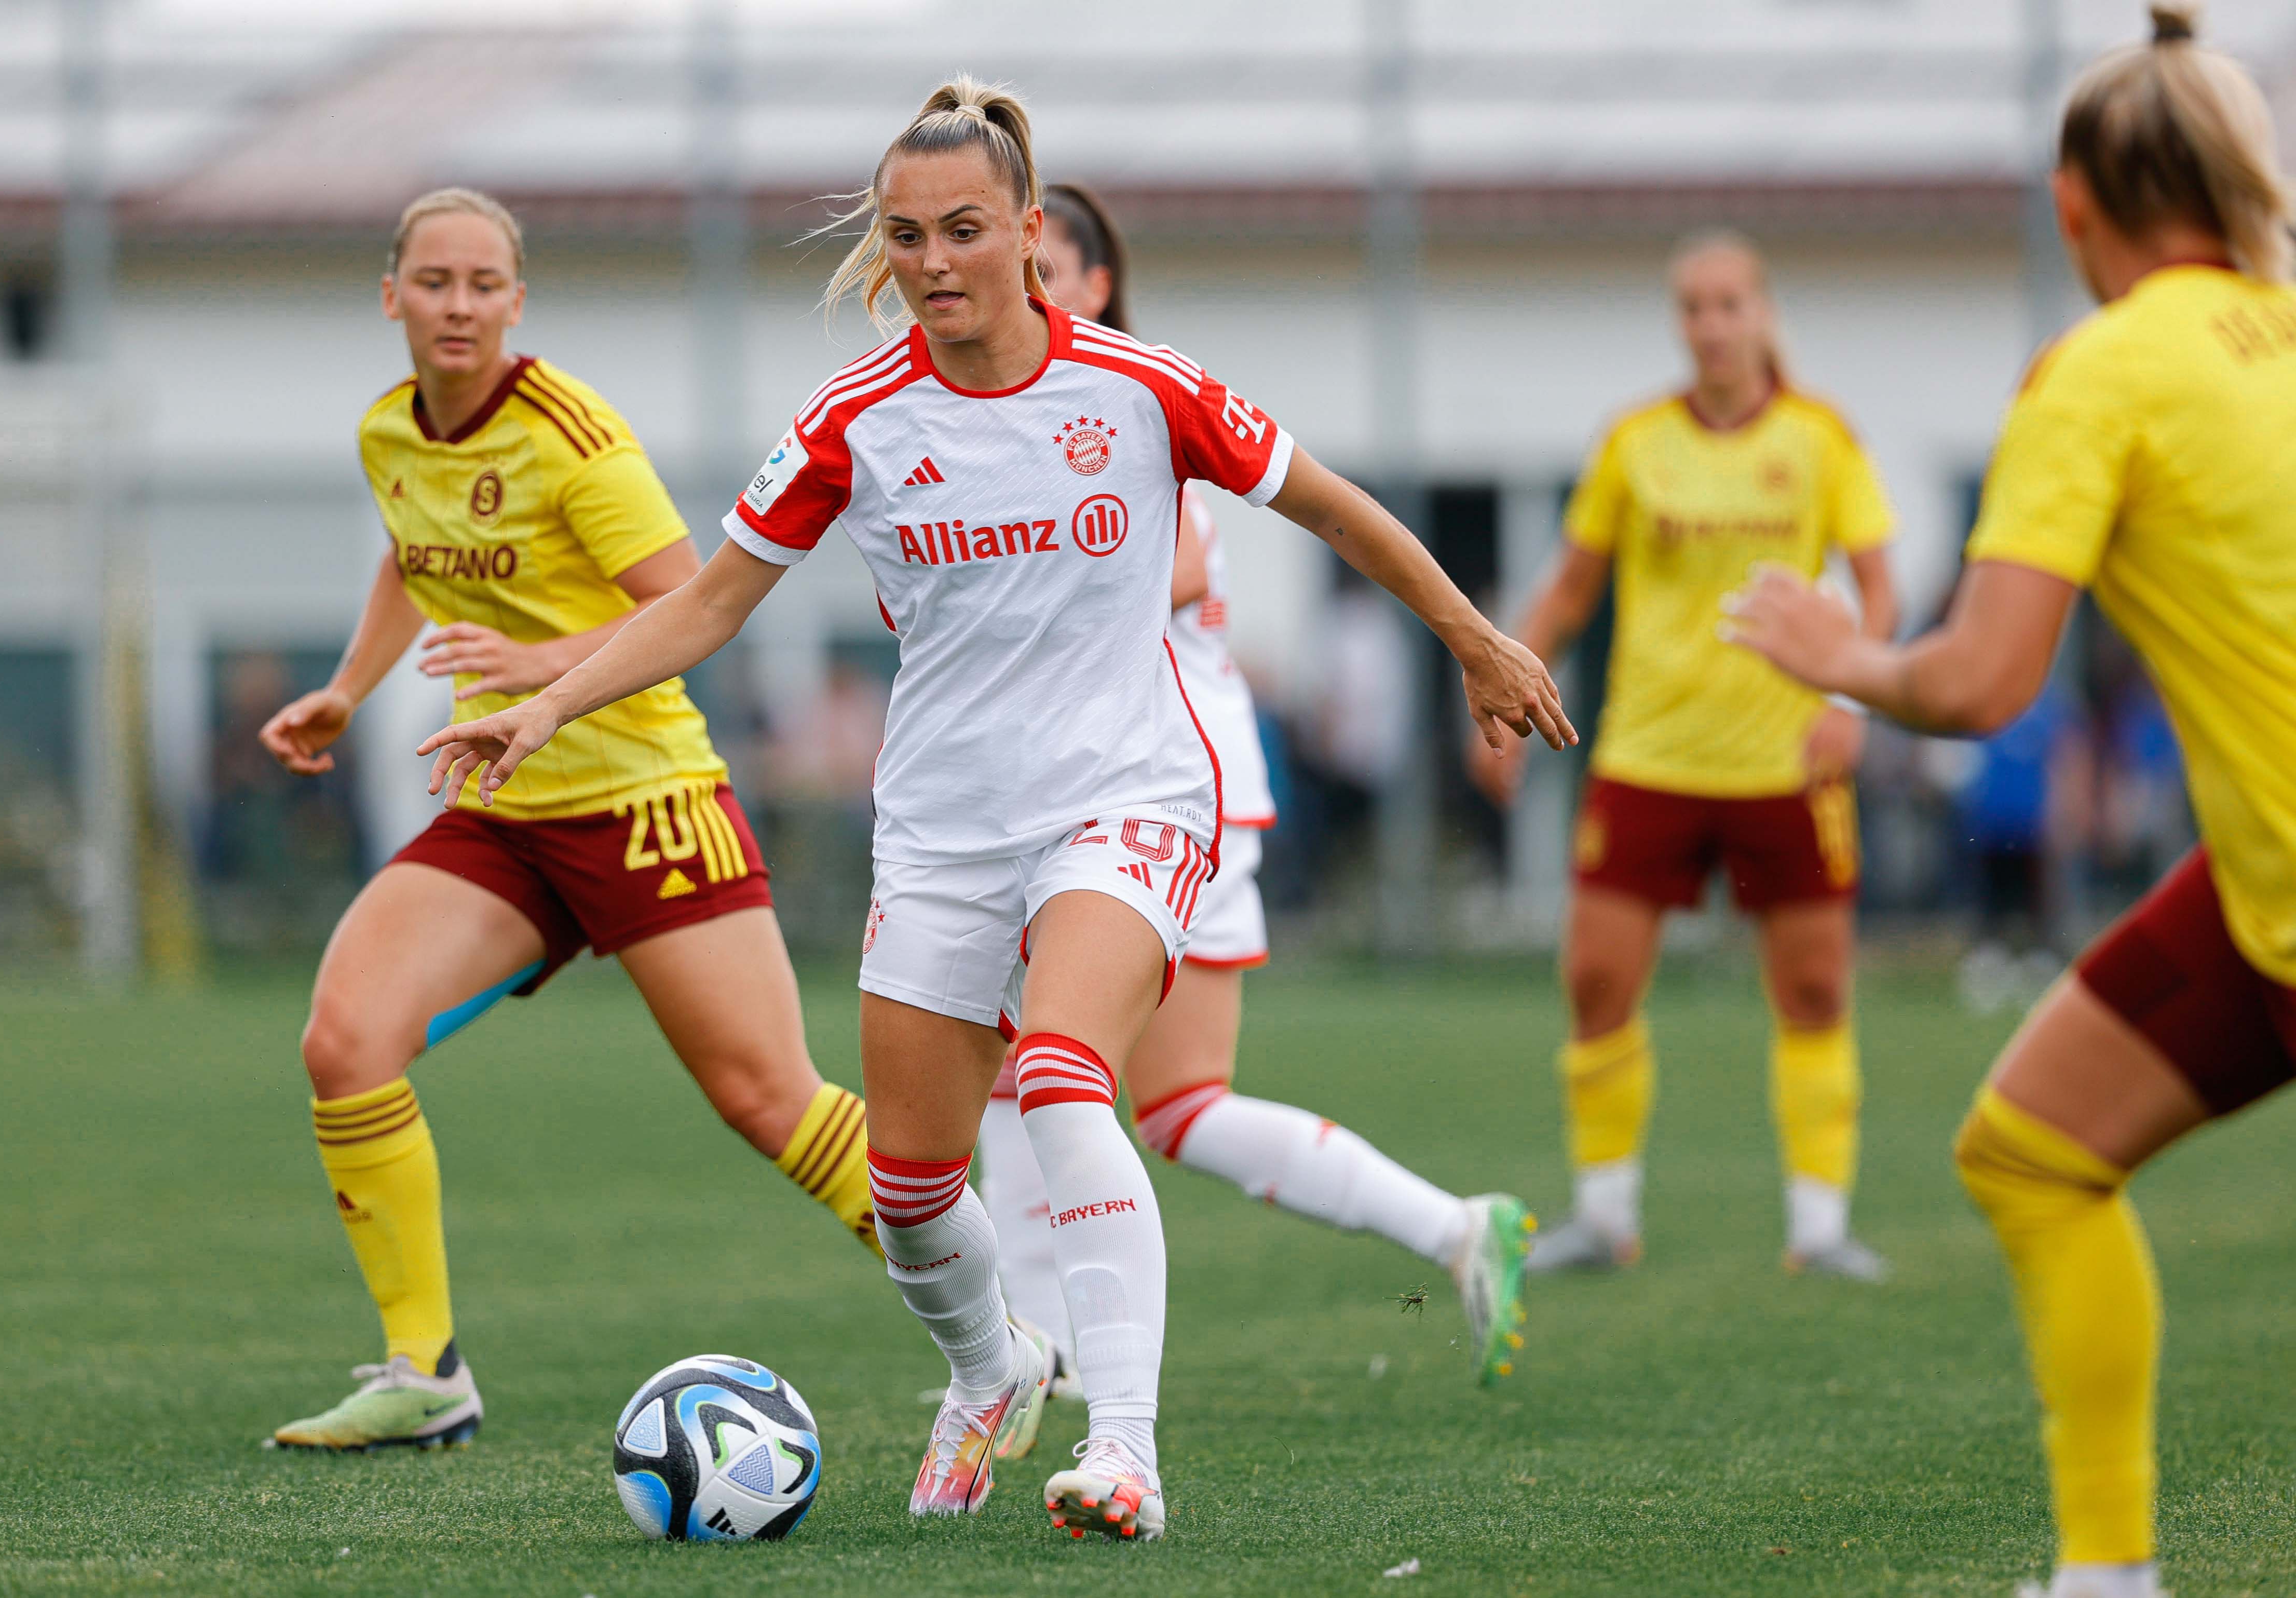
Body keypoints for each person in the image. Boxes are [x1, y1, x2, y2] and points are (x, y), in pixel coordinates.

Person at [420, 80, 1572, 1542]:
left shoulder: (1144, 387)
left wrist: (1472, 634)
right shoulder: (855, 421)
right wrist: (546, 700)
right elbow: (711, 601)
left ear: (1032, 232)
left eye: (966, 228)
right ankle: (991, 1361)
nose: (936, 259)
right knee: (910, 1189)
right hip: (947, 832)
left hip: (1129, 801)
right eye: (907, 236)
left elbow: (1333, 505)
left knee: (1078, 1079)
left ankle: (1128, 1454)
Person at [1723, 9, 2296, 1593]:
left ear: (2075, 209)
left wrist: (1838, 652)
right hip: (2276, 881)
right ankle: (2106, 1574)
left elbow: (1986, 681)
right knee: (2034, 1147)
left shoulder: (2103, 367)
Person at [255, 187, 883, 1453]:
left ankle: (1013, 1313)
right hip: (504, 813)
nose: (457, 304)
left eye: (483, 283)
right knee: (345, 1039)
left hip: (642, 798)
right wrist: (346, 687)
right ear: (391, 294)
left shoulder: (568, 433)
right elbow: (407, 555)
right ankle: (424, 1368)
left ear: (516, 301)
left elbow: (692, 602)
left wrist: (545, 666)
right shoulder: (391, 432)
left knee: (767, 1096)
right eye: (432, 280)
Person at [974, 182, 1537, 1401]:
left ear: (1094, 284)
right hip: (1150, 789)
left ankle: (1035, 1354)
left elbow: (1161, 565)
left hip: (1161, 793)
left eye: (1044, 265)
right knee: (1170, 1104)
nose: (1022, 290)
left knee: (1031, 1067)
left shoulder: (1117, 402)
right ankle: (1451, 1226)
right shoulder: (1017, 417)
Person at [1473, 231, 1899, 1278]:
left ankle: (1820, 1231)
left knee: (1813, 993)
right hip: (1650, 757)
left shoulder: (1819, 436)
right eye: (1693, 308)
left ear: (1762, 313)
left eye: (1728, 305)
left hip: (1785, 763)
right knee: (1596, 982)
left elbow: (1879, 587)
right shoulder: (1635, 442)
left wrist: (1854, 693)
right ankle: (1606, 1219)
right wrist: (1506, 685)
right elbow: (1570, 587)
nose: (1711, 326)